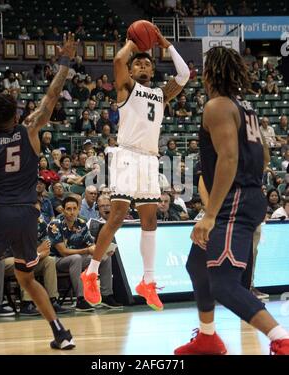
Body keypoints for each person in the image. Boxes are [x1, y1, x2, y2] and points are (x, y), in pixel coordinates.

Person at [174, 46, 289, 356]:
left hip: (233, 202)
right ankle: (208, 338)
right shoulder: (246, 109)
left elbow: (228, 156)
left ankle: (281, 339)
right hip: (246, 196)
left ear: (210, 74)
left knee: (224, 284)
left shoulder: (217, 106)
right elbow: (263, 155)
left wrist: (211, 214)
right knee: (197, 265)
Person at [81, 27, 189, 311]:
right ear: (131, 70)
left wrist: (165, 44)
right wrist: (132, 42)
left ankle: (148, 282)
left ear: (152, 70)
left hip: (150, 159)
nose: (143, 65)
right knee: (116, 217)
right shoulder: (127, 88)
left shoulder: (161, 94)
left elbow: (185, 74)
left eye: (147, 63)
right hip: (127, 155)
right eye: (138, 63)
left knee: (150, 221)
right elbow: (118, 62)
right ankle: (90, 273)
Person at [0, 32, 78, 350]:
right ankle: (60, 333)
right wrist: (65, 60)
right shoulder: (30, 129)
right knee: (27, 277)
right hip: (27, 213)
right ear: (15, 114)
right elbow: (53, 94)